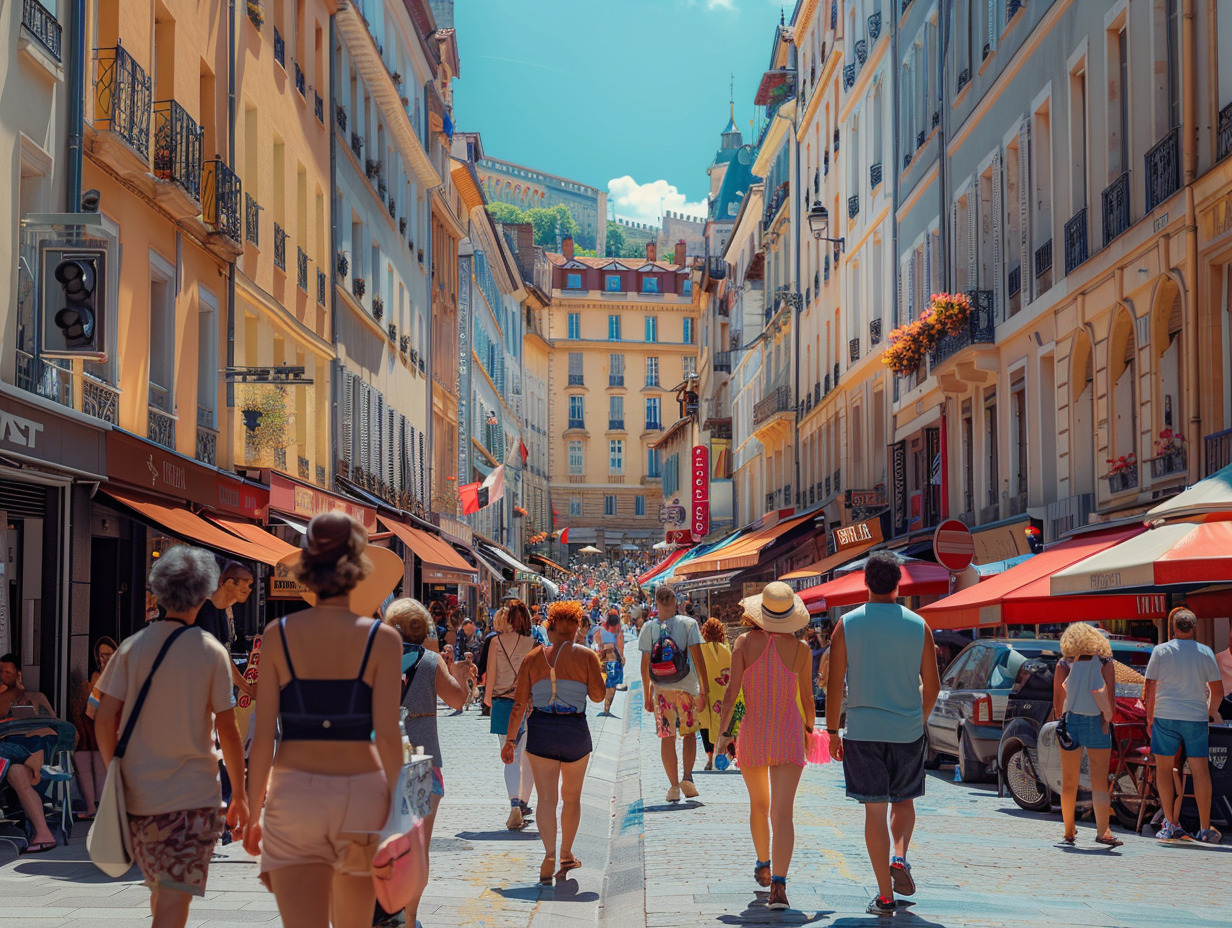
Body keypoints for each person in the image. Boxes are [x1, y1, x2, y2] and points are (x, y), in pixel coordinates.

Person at [243, 513, 403, 928]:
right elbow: (387, 736)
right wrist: (400, 811)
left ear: (308, 568)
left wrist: (250, 808)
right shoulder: (383, 639)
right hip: (362, 794)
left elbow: (263, 739)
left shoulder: (278, 633)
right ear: (359, 570)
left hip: (295, 792)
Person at [94, 547, 248, 928]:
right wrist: (241, 795)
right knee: (173, 900)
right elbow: (228, 730)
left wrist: (116, 768)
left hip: (139, 794)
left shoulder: (131, 647)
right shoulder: (209, 651)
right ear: (202, 594)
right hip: (192, 797)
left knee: (161, 893)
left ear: (159, 593)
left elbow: (101, 717)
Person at [826, 551, 940, 916]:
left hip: (862, 730)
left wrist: (830, 731)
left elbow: (833, 684)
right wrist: (917, 719)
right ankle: (900, 855)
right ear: (899, 583)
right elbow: (933, 685)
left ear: (865, 582)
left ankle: (885, 895)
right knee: (904, 800)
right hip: (906, 729)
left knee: (873, 812)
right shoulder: (918, 625)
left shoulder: (847, 624)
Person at [715, 583, 813, 911]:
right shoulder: (801, 650)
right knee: (782, 813)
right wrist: (811, 730)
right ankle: (780, 888)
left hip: (753, 733)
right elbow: (808, 700)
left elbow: (732, 694)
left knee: (759, 805)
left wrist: (724, 734)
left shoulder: (743, 642)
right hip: (788, 735)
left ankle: (762, 863)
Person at [503, 601, 606, 884]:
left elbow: (519, 705)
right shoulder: (586, 656)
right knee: (571, 798)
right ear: (575, 629)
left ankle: (548, 851)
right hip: (575, 731)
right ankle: (565, 853)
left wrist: (510, 741)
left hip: (541, 730)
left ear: (550, 629)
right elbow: (598, 696)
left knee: (547, 799)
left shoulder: (533, 658)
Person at [384, 598, 469, 928]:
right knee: (417, 846)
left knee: (386, 838)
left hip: (384, 759)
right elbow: (457, 700)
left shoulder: (376, 659)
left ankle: (385, 908)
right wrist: (460, 674)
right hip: (420, 759)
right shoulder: (432, 661)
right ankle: (410, 918)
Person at [1146, 607, 1225, 843]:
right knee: (1200, 771)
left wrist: (1149, 717)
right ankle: (1204, 827)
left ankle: (1170, 823)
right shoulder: (1205, 652)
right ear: (1194, 627)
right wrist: (1210, 711)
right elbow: (1217, 690)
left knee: (1163, 769)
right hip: (1195, 716)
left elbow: (1150, 687)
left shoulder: (1160, 651)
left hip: (1165, 714)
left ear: (1173, 628)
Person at [1052, 623, 1121, 848]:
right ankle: (1104, 831)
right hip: (1097, 722)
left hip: (1070, 722)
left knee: (1069, 782)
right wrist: (1105, 720)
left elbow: (1057, 704)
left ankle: (1069, 831)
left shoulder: (1063, 664)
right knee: (1099, 781)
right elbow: (1110, 701)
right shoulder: (1104, 663)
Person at [639, 585, 709, 803]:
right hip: (687, 687)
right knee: (689, 733)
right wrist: (704, 689)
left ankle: (673, 786)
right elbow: (698, 658)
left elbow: (644, 666)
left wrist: (646, 693)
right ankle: (688, 778)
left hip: (661, 690)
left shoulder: (649, 627)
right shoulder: (689, 624)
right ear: (676, 603)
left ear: (657, 604)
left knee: (667, 737)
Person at [485, 600, 536, 828]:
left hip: (502, 702)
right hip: (527, 704)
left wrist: (488, 700)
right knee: (528, 758)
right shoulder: (534, 642)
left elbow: (491, 677)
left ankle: (514, 805)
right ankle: (524, 803)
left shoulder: (495, 642)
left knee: (510, 758)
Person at [68, 636, 116, 819]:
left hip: (108, 723)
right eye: (101, 655)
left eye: (109, 654)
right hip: (90, 720)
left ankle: (103, 807)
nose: (105, 658)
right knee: (82, 761)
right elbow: (93, 696)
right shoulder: (97, 675)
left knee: (100, 765)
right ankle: (90, 806)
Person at [697, 617, 733, 771]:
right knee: (725, 724)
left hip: (707, 691)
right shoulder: (726, 649)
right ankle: (723, 753)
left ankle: (710, 759)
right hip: (724, 692)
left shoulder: (701, 649)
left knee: (705, 725)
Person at [593, 610, 626, 715]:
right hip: (613, 661)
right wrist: (621, 658)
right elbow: (618, 647)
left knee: (608, 684)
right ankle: (606, 709)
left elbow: (598, 644)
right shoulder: (617, 631)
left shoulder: (601, 629)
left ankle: (606, 707)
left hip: (603, 661)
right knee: (611, 686)